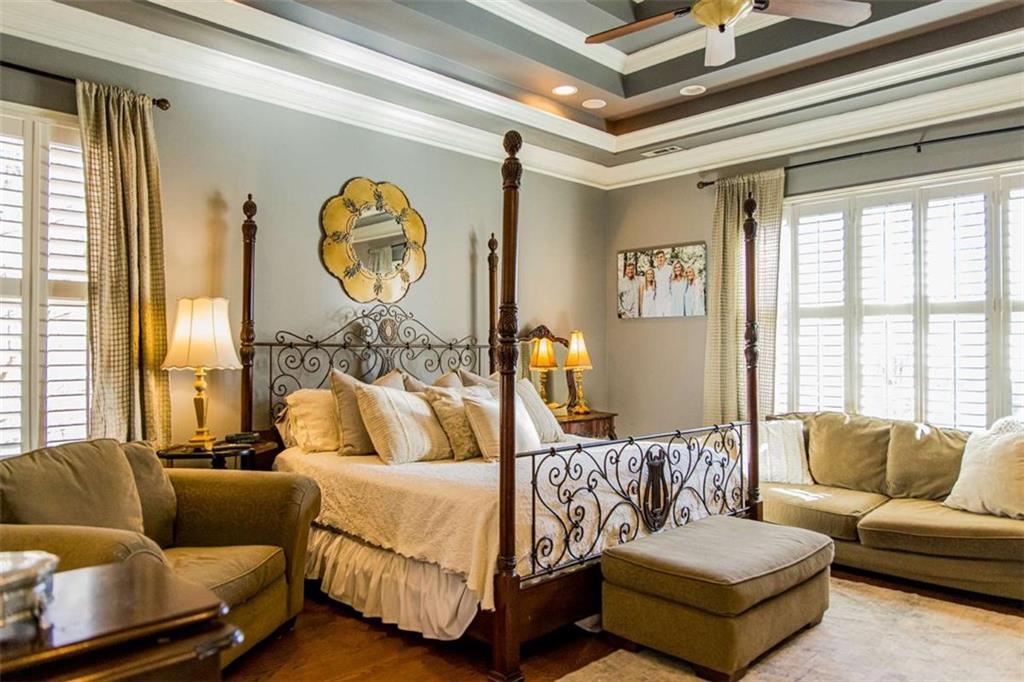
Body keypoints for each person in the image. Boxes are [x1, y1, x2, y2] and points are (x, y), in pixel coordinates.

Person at [652, 250, 673, 316]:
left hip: (668, 299)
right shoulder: (654, 271)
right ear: (655, 259)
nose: (659, 259)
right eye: (657, 257)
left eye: (661, 257)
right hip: (657, 299)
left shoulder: (670, 269)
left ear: (664, 258)